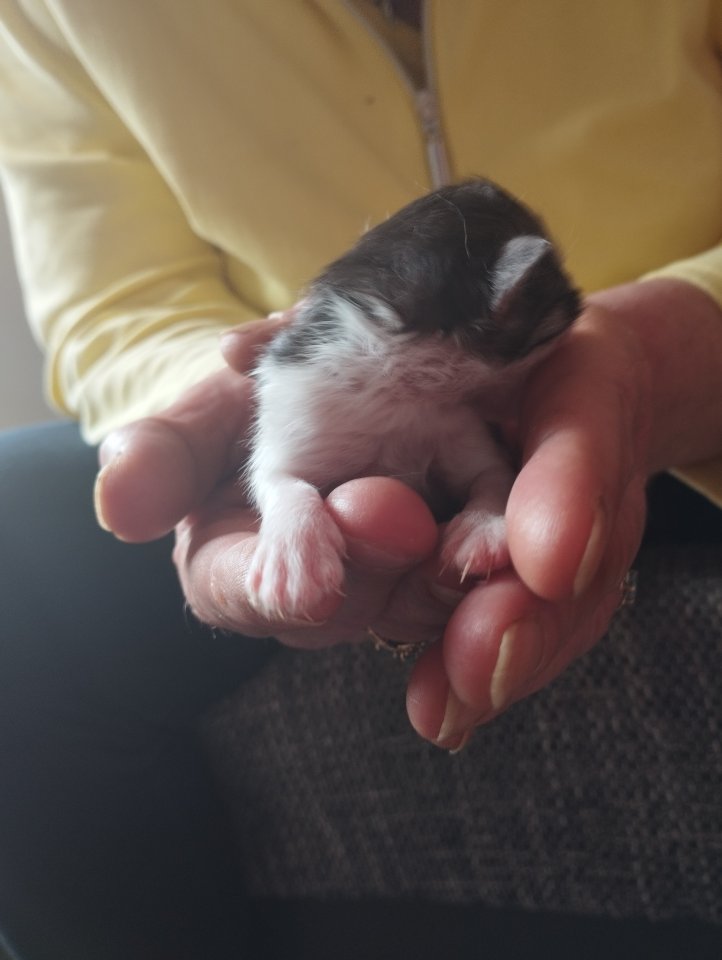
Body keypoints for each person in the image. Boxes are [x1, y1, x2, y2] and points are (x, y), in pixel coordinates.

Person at [0, 1, 721, 957]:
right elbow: (117, 303)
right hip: (329, 355)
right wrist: (205, 406)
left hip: (688, 389)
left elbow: (482, 460)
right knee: (16, 544)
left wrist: (675, 343)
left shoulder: (478, 384)